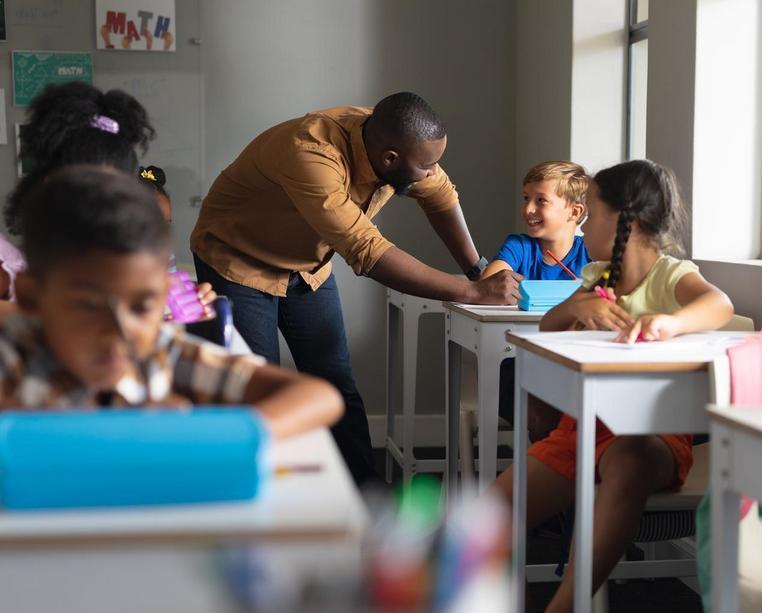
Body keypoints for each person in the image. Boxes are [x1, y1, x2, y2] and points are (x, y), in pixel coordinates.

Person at [191, 92, 521, 482]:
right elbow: (368, 251)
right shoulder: (310, 153)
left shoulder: (395, 138)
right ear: (390, 161)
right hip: (237, 260)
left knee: (336, 383)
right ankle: (266, 502)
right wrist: (471, 293)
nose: (433, 172)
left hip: (307, 268)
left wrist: (476, 270)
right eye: (427, 165)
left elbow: (440, 197)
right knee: (257, 387)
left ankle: (367, 498)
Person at [493, 159, 734, 612]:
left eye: (594, 214)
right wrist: (579, 307)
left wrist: (670, 322)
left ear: (626, 220)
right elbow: (549, 325)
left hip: (651, 437)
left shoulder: (670, 275)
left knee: (629, 458)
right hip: (579, 433)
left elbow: (718, 304)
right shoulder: (595, 278)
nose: (585, 226)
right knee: (489, 517)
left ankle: (562, 606)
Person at [3, 166, 343, 439]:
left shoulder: (161, 354)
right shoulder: (11, 356)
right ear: (33, 298)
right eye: (90, 306)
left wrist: (195, 433)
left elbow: (319, 397)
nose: (121, 331)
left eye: (141, 307)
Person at [4, 82, 216, 311]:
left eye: (118, 190)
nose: (106, 203)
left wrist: (184, 305)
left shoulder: (131, 261)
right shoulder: (14, 270)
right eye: (90, 188)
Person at [485, 160, 590, 440]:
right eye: (526, 199)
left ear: (574, 212)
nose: (528, 209)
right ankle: (547, 470)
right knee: (545, 410)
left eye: (540, 200)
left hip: (572, 363)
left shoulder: (591, 254)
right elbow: (490, 284)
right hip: (517, 363)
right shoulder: (519, 246)